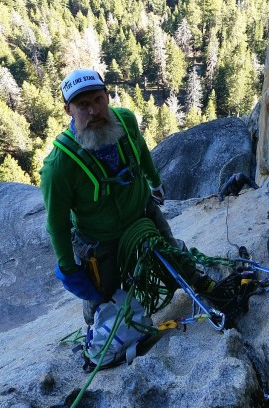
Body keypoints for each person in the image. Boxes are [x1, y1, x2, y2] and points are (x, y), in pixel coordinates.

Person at [40, 68, 211, 324]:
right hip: (100, 240)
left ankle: (198, 283)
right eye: (83, 105)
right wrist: (68, 268)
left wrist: (154, 182)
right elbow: (57, 223)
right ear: (69, 110)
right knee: (103, 294)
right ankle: (98, 328)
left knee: (171, 252)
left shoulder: (125, 121)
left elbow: (140, 151)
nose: (94, 111)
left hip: (142, 211)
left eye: (98, 100)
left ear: (107, 97)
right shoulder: (59, 166)